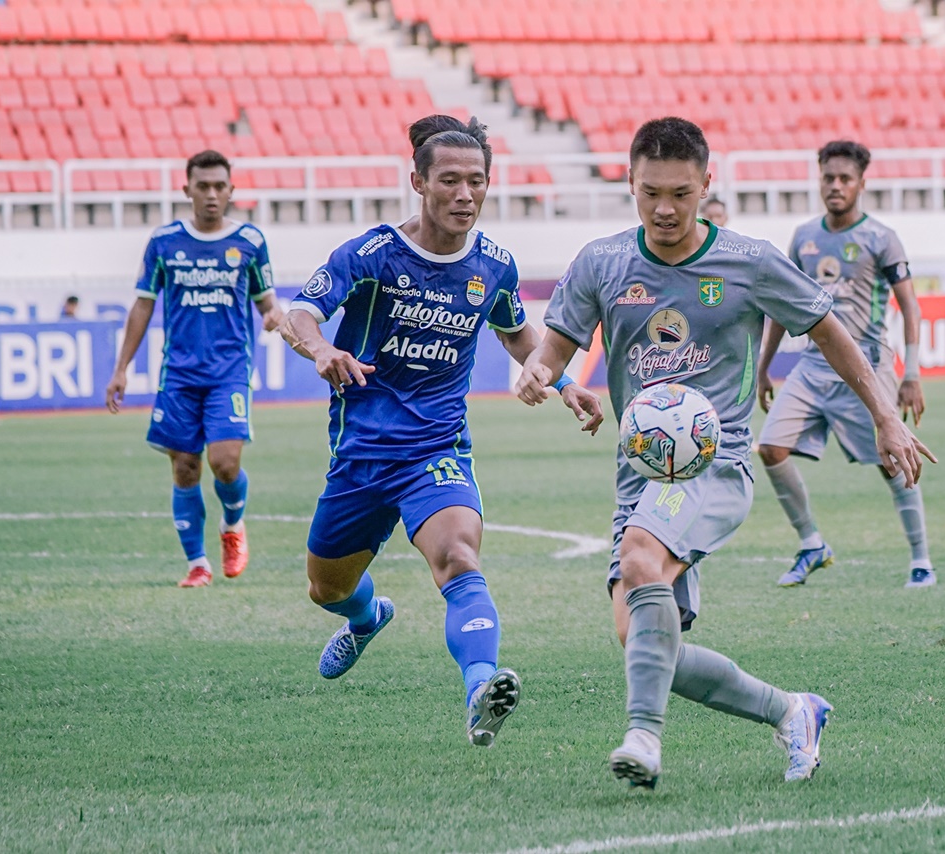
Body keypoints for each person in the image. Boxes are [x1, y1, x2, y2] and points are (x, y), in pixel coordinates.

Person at [517, 117, 934, 789]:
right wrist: (543, 372)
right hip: (641, 475)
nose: (664, 209)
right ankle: (792, 711)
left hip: (717, 461)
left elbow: (830, 332)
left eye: (681, 193)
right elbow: (557, 345)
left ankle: (643, 741)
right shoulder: (602, 262)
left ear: (706, 184)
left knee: (639, 559)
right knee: (642, 641)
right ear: (628, 182)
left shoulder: (749, 260)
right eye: (650, 191)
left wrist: (886, 415)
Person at [278, 115, 602, 748]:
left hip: (437, 448)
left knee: (458, 558)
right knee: (326, 588)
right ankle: (367, 618)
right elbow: (301, 312)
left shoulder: (494, 266)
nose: (465, 194)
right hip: (362, 454)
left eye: (476, 181)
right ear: (418, 183)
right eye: (449, 180)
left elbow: (517, 333)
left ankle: (482, 689)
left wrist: (560, 382)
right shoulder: (371, 255)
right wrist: (318, 349)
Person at [756, 140, 935, 590]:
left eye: (844, 179)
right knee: (770, 448)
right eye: (828, 179)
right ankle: (812, 543)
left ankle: (921, 560)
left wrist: (911, 373)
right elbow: (781, 304)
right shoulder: (804, 238)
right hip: (813, 367)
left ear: (861, 184)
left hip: (868, 368)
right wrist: (764, 366)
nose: (835, 187)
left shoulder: (881, 238)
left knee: (891, 461)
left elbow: (910, 307)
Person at [105, 150, 283, 588]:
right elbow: (143, 305)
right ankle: (197, 564)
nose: (211, 194)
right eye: (202, 186)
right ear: (187, 190)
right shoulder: (165, 242)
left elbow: (266, 300)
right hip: (179, 375)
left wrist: (275, 315)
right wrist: (121, 368)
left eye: (219, 186)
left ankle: (232, 526)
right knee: (185, 466)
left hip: (229, 371)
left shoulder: (250, 242)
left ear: (231, 191)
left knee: (225, 463)